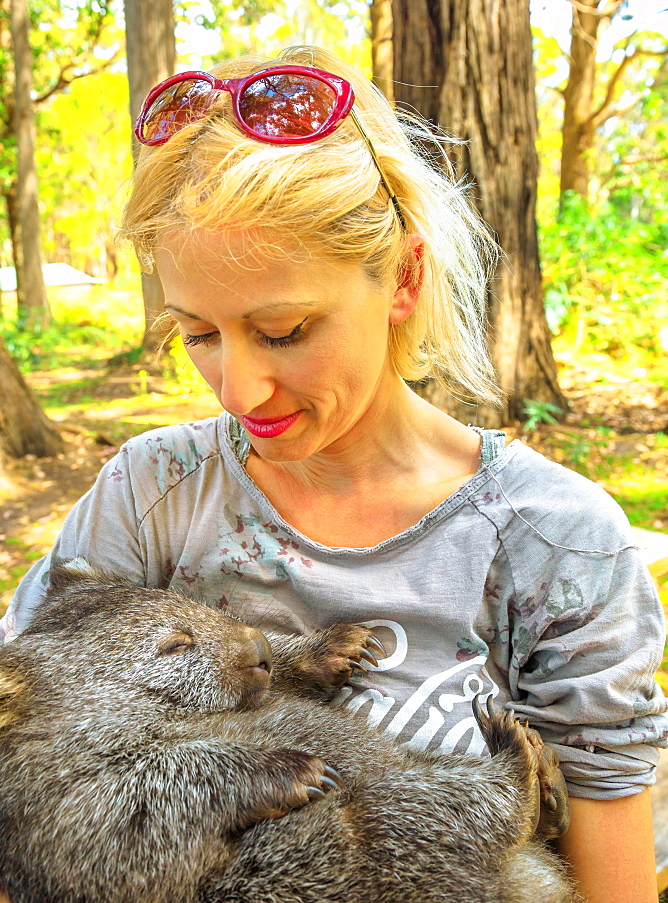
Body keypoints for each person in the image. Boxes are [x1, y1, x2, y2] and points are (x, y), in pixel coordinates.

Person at [1, 46, 666, 903]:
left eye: (283, 331)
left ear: (405, 278)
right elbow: (28, 754)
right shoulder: (151, 495)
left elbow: (613, 878)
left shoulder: (554, 543)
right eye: (198, 332)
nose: (239, 389)